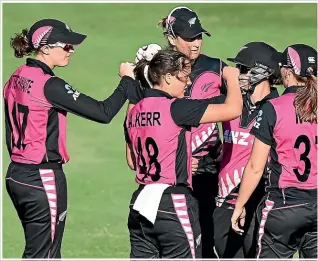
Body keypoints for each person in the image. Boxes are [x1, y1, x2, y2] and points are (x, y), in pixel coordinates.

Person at [3, 18, 138, 258]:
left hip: (16, 175)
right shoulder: (49, 85)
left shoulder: (15, 76)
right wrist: (127, 81)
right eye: (65, 45)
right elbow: (103, 112)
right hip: (41, 178)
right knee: (46, 254)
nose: (71, 50)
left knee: (37, 250)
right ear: (45, 48)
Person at [124, 49, 242, 259]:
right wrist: (232, 78)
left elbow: (132, 161)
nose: (188, 84)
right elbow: (232, 109)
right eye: (184, 78)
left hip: (139, 202)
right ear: (168, 77)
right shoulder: (176, 108)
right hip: (172, 202)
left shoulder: (134, 111)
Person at [134, 7, 228, 257]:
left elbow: (237, 110)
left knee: (206, 239)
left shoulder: (217, 67)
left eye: (199, 36)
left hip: (207, 167)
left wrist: (228, 149)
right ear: (172, 38)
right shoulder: (159, 70)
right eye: (189, 38)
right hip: (168, 172)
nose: (196, 44)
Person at [231, 44, 317, 259]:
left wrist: (239, 205)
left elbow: (255, 167)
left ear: (287, 72)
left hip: (283, 205)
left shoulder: (274, 107)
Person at [212, 42, 280, 258]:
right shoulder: (230, 103)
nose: (237, 75)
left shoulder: (279, 108)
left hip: (260, 202)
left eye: (243, 69)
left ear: (262, 72)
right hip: (224, 203)